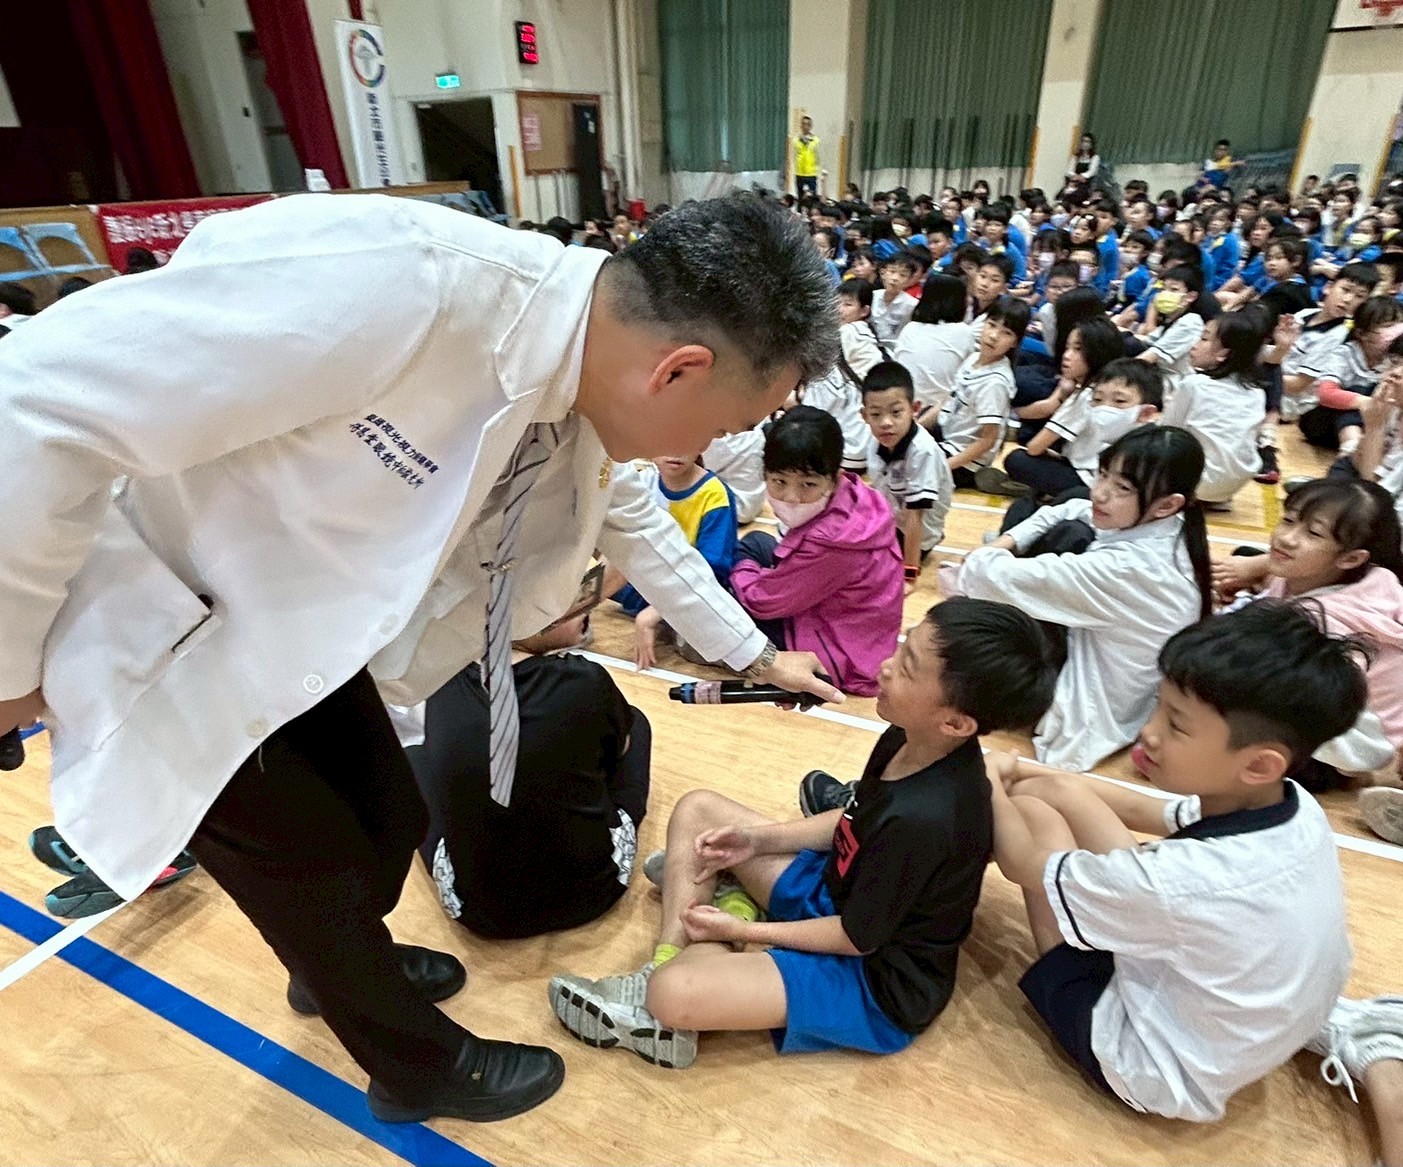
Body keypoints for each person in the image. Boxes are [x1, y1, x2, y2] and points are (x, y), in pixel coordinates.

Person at [0, 193, 842, 1125]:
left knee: (385, 818)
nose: (715, 447)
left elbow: (644, 533)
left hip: (306, 632)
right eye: (731, 422)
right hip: (167, 627)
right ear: (678, 369)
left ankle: (338, 959)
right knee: (304, 864)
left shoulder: (582, 388)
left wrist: (758, 657)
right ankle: (416, 1065)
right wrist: (4, 668)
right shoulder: (402, 282)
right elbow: (30, 404)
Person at [548, 598, 1059, 1069]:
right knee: (699, 810)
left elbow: (856, 938)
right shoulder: (907, 736)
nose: (886, 665)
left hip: (871, 979)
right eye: (902, 650)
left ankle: (696, 953)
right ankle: (683, 943)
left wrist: (744, 933)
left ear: (956, 723)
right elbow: (854, 818)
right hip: (834, 895)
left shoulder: (929, 818)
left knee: (674, 993)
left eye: (907, 668)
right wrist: (758, 841)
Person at [985, 600, 1366, 1121]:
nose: (1149, 731)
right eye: (1158, 706)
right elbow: (1146, 811)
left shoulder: (1186, 881)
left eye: (1177, 725)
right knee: (1058, 797)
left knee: (1034, 817)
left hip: (1158, 1069)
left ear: (1259, 763)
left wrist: (991, 783)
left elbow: (1023, 865)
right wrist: (1038, 775)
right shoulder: (1292, 804)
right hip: (1251, 1034)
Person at [951, 426, 1212, 772]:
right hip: (1115, 677)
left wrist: (991, 553)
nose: (1100, 493)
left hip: (1084, 705)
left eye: (1122, 488)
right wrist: (1007, 542)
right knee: (1051, 512)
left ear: (1167, 504)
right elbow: (1074, 505)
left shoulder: (1126, 569)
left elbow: (984, 574)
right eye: (1103, 474)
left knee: (971, 623)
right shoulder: (1175, 526)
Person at [410, 641, 650, 940]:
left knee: (414, 758)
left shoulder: (444, 677)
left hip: (478, 913)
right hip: (596, 893)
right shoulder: (584, 679)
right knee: (635, 723)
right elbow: (620, 749)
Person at [1213, 477, 1403, 792]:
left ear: (1351, 558)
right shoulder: (1369, 575)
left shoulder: (1326, 625)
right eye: (1288, 520)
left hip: (1345, 741)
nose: (1286, 539)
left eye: (1313, 533)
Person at [730, 407, 903, 696]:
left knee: (727, 596)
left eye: (808, 484)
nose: (792, 497)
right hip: (864, 637)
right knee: (756, 542)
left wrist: (743, 571)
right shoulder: (859, 497)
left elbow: (761, 602)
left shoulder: (834, 542)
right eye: (779, 481)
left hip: (836, 654)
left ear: (835, 478)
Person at [610, 453, 740, 669]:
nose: (676, 452)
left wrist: (652, 614)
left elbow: (711, 574)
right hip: (654, 584)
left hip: (696, 592)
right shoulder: (642, 482)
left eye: (686, 442)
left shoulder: (715, 495)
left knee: (702, 646)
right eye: (666, 441)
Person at [981, 316, 1129, 499]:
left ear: (1098, 353)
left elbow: (1035, 448)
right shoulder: (1104, 389)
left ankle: (1040, 492)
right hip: (1099, 472)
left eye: (1078, 349)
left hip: (1087, 483)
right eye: (1067, 348)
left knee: (1017, 459)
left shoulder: (1087, 396)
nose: (1067, 355)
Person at [861, 361, 954, 593]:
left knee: (867, 573)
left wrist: (909, 575)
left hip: (915, 533)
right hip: (891, 521)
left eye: (896, 412)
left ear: (914, 409)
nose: (886, 422)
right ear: (864, 415)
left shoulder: (922, 452)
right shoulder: (877, 442)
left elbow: (915, 518)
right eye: (876, 414)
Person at [1160, 312, 1266, 506]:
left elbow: (1167, 432)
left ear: (1223, 354)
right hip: (1235, 483)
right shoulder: (1258, 392)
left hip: (1197, 481)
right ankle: (1215, 497)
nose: (1194, 345)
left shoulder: (1194, 384)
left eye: (1204, 338)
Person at [928, 296, 1029, 486]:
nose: (994, 336)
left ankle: (984, 481)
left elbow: (988, 440)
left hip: (965, 461)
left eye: (1006, 333)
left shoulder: (995, 382)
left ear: (1015, 342)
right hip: (948, 434)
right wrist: (913, 426)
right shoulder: (973, 358)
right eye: (991, 325)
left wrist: (943, 467)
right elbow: (947, 401)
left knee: (909, 466)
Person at [890, 273, 976, 414]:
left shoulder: (910, 328)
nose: (969, 301)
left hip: (902, 406)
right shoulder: (963, 332)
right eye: (966, 296)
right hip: (938, 413)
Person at [1135, 264, 1210, 399]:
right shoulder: (1172, 319)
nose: (1165, 294)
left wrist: (1117, 373)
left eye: (1173, 289)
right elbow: (1149, 339)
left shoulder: (1190, 322)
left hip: (1170, 384)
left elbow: (1151, 356)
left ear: (1191, 296)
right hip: (1158, 374)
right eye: (1163, 289)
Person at [870, 252, 919, 343]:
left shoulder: (912, 305)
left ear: (909, 279)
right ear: (883, 273)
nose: (895, 278)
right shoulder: (872, 296)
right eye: (892, 271)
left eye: (903, 275)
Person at [794, 116, 820, 200]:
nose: (805, 126)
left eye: (808, 124)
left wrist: (818, 171)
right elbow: (794, 155)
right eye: (803, 124)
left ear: (810, 126)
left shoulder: (815, 140)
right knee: (800, 198)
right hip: (799, 173)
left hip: (811, 174)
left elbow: (818, 157)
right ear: (801, 125)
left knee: (812, 198)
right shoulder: (796, 140)